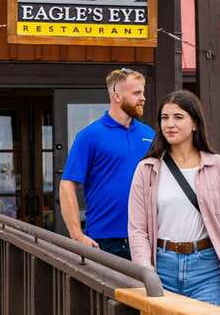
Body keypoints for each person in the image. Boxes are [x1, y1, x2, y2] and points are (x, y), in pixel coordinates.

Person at [128, 90, 220, 312]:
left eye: (178, 117)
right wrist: (146, 272)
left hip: (208, 269)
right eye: (164, 118)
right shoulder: (147, 168)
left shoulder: (219, 167)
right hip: (162, 267)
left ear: (195, 123)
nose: (169, 124)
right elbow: (137, 229)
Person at [59, 68, 154, 259]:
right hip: (104, 241)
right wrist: (77, 235)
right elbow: (67, 185)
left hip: (146, 238)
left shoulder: (150, 135)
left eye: (143, 92)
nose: (143, 98)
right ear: (117, 96)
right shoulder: (90, 136)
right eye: (136, 93)